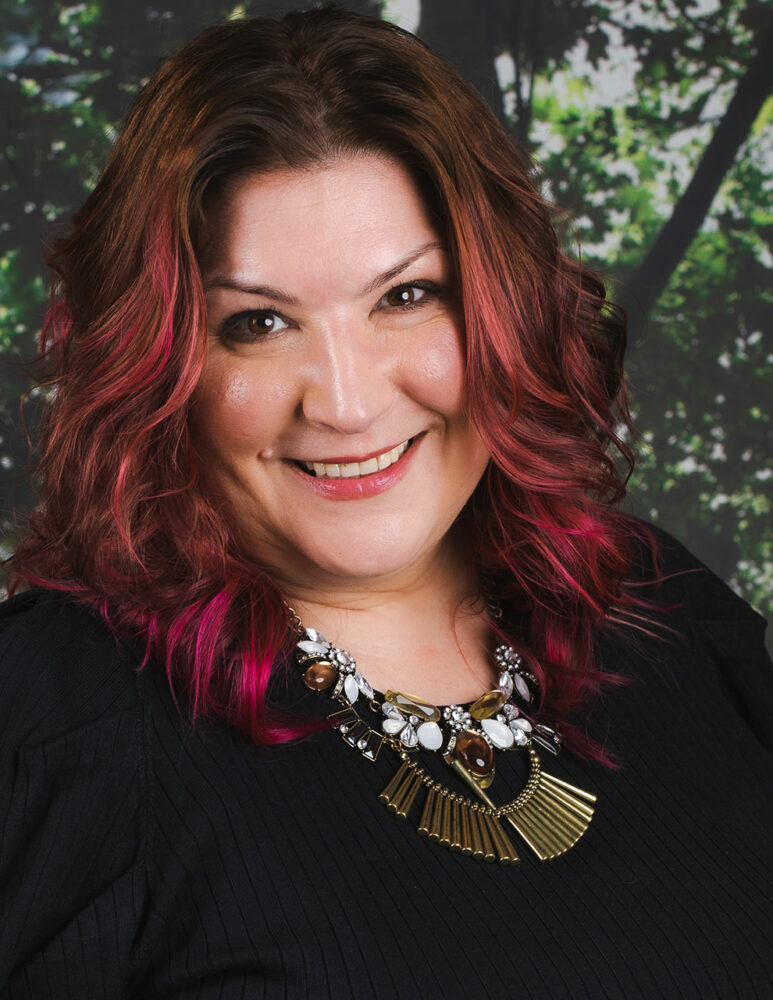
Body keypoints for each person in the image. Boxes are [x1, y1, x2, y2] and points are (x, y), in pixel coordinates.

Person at [0, 8, 770, 998]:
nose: (347, 400)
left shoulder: (663, 609)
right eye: (257, 321)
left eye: (404, 297)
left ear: (502, 307)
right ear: (162, 364)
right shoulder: (52, 721)